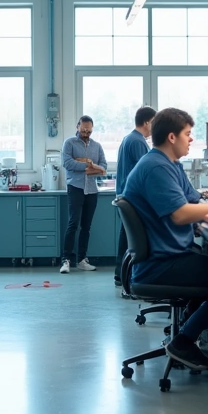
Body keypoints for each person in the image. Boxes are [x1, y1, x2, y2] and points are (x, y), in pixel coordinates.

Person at [122, 108, 208, 370]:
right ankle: (184, 341)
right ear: (172, 137)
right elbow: (182, 214)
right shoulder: (155, 167)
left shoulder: (170, 165)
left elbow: (193, 201)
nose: (191, 139)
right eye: (188, 134)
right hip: (160, 265)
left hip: (168, 257)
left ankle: (186, 337)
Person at [114, 106, 157, 287]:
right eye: (154, 123)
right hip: (134, 199)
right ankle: (129, 277)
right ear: (147, 122)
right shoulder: (138, 142)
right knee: (133, 242)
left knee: (127, 239)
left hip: (126, 196)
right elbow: (145, 172)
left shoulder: (128, 138)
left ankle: (120, 275)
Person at [60, 115, 108, 274]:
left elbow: (103, 166)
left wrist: (89, 164)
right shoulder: (69, 143)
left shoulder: (97, 146)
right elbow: (67, 163)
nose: (86, 133)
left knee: (86, 227)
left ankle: (81, 259)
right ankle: (66, 260)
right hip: (75, 187)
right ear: (77, 127)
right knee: (73, 223)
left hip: (92, 190)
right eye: (83, 130)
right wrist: (88, 166)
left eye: (89, 131)